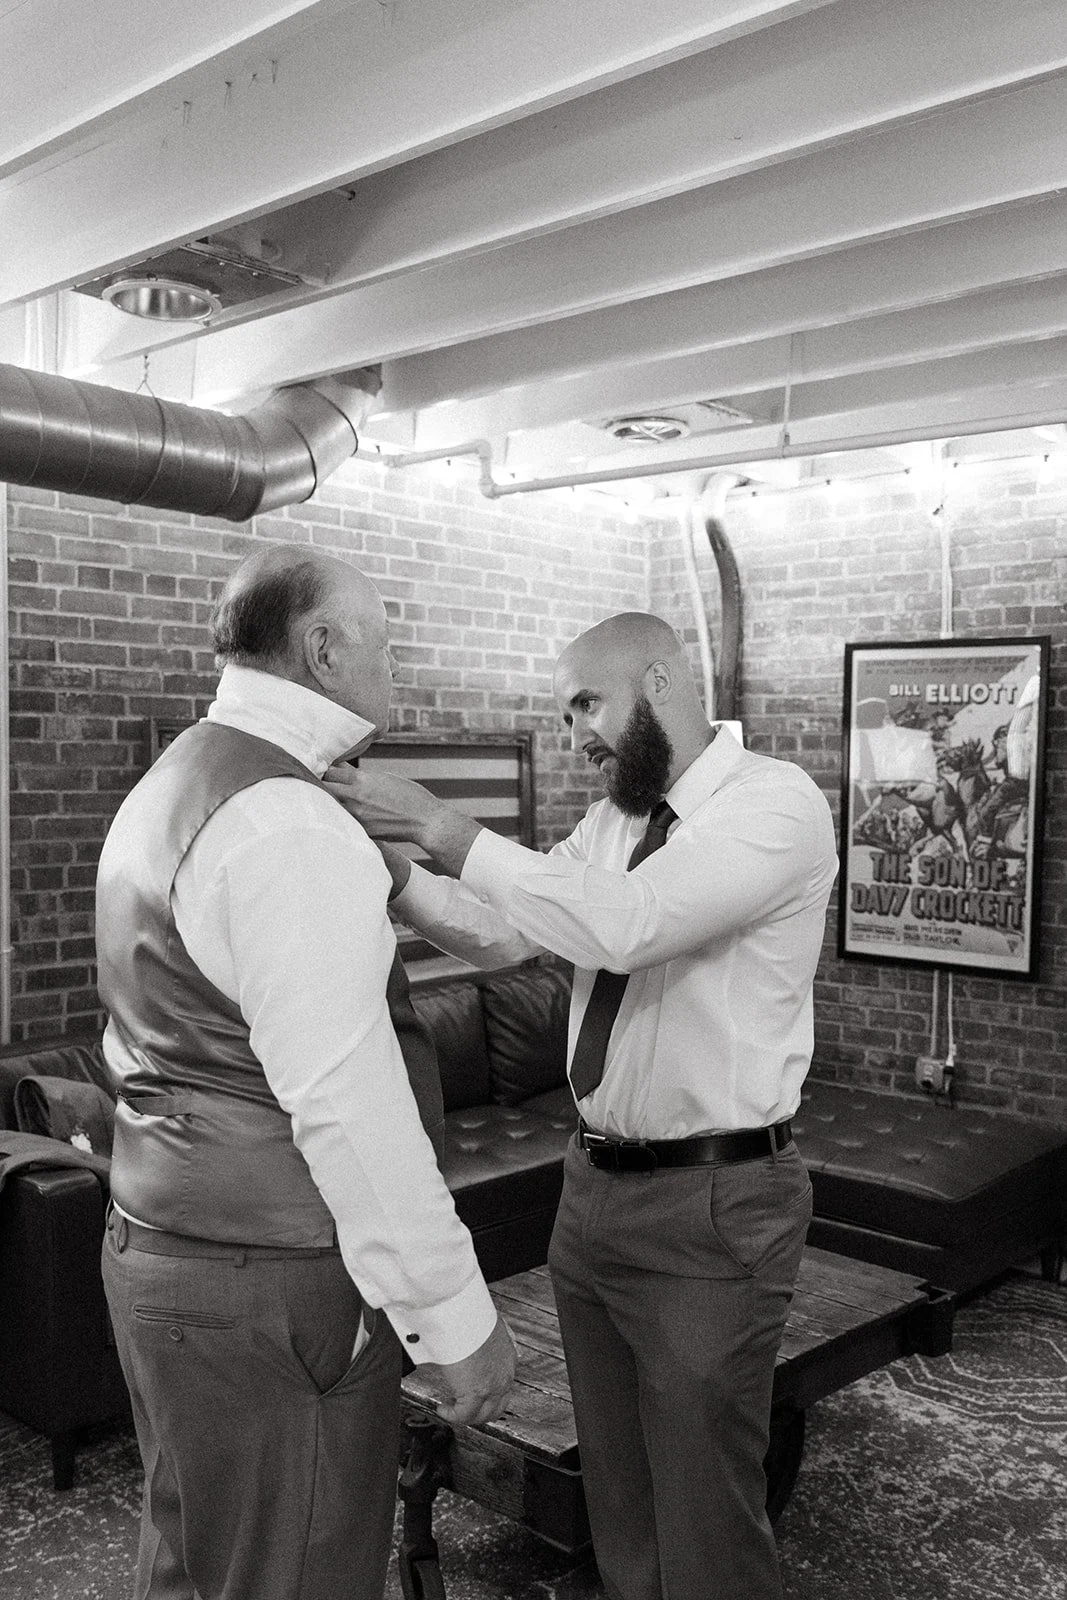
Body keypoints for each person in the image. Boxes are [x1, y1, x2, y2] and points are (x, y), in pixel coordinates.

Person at [325, 611, 838, 1600]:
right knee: (620, 1500)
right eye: (564, 717)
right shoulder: (612, 825)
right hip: (592, 1188)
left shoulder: (772, 803)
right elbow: (505, 930)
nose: (575, 737)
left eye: (585, 705)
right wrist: (396, 874)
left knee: (704, 1510)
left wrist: (439, 823)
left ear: (659, 680)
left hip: (713, 1201)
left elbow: (628, 924)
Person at [95, 545, 515, 1600]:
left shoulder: (186, 779)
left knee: (197, 1564)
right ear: (322, 650)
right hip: (271, 1279)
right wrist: (451, 1316)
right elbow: (348, 1104)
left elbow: (498, 937)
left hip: (162, 1248)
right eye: (383, 642)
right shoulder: (287, 821)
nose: (397, 666)